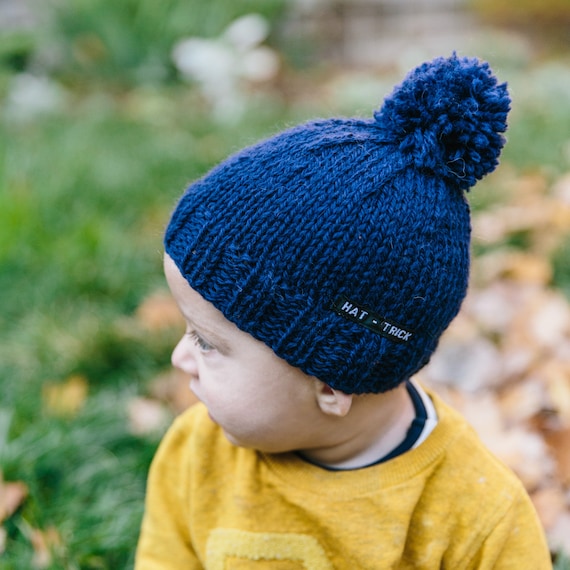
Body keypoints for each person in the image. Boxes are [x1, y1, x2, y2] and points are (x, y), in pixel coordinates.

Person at [135, 54, 552, 569]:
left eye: (207, 342)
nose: (181, 358)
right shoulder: (195, 456)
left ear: (331, 382)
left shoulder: (475, 518)